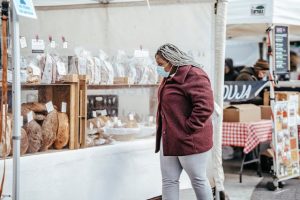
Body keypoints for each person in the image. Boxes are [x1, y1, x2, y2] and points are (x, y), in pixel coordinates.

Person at [155, 43, 214, 200]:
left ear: (171, 60)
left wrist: (187, 128)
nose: (159, 68)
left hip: (189, 139)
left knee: (198, 179)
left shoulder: (195, 75)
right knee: (169, 180)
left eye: (160, 64)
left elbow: (205, 107)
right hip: (169, 138)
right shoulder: (169, 77)